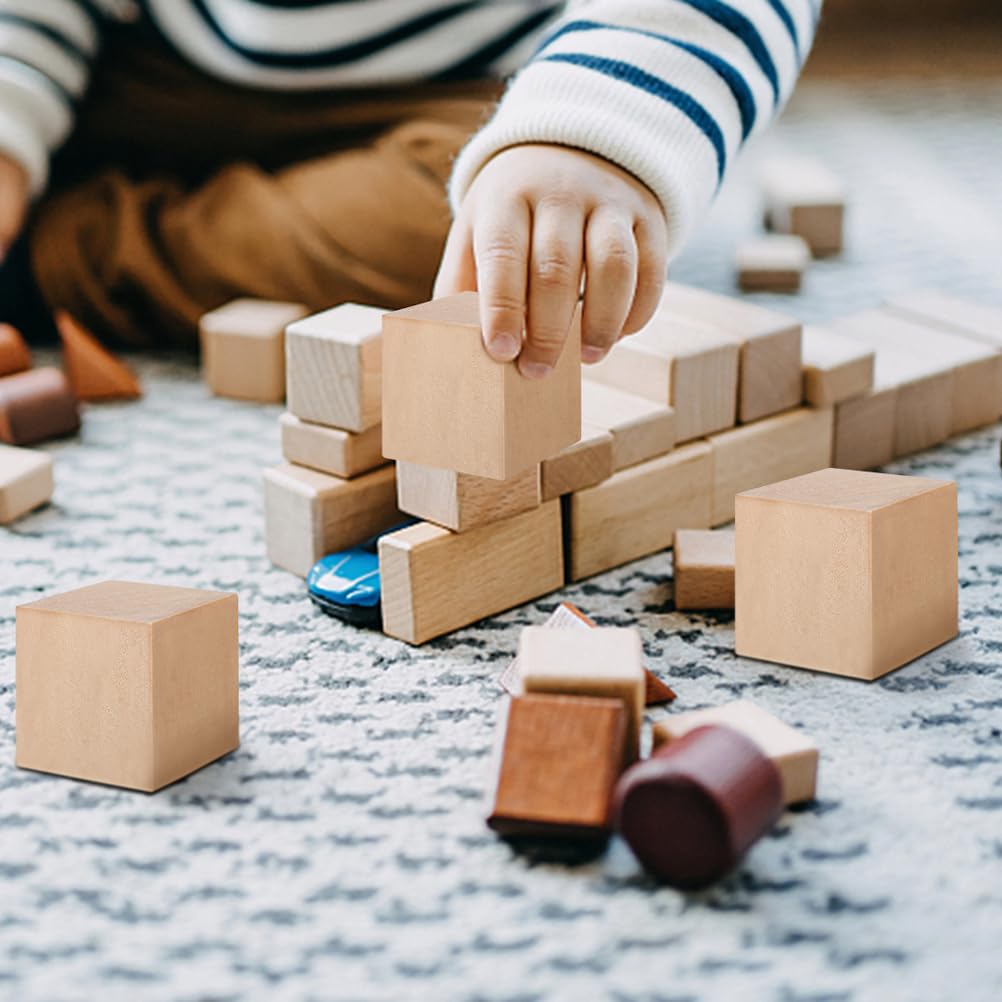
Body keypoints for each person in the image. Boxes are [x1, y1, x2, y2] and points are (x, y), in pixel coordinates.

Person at [0, 0, 819, 376]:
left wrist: (593, 133)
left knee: (492, 256)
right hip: (156, 69)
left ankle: (47, 261)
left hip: (467, 92)